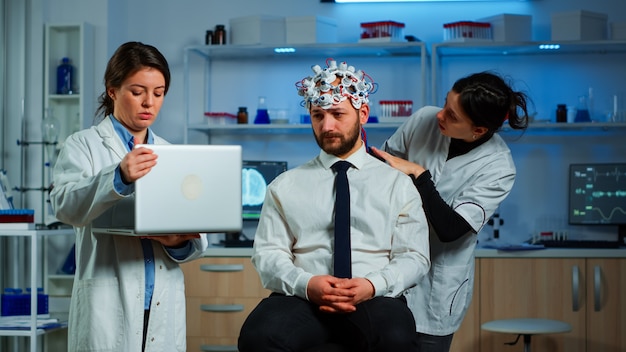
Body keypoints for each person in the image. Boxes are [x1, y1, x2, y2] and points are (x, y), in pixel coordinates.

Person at [237, 59, 431, 352]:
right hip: (301, 297)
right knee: (258, 337)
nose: (327, 126)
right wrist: (307, 284)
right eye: (318, 115)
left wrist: (372, 284)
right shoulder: (284, 186)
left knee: (396, 340)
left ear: (362, 113)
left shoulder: (397, 185)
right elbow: (268, 255)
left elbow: (414, 257)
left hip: (374, 296)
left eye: (337, 114)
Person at [49, 41, 209, 352]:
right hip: (108, 301)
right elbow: (65, 206)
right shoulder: (84, 145)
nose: (149, 102)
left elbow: (198, 236)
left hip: (162, 297)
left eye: (159, 93)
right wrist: (118, 177)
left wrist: (176, 241)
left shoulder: (171, 153)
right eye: (138, 92)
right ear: (112, 90)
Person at [370, 71, 530, 352]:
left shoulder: (498, 167)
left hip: (437, 288)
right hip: (389, 271)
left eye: (452, 116)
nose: (440, 116)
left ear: (478, 130)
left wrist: (420, 176)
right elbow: (381, 168)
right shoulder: (423, 120)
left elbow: (451, 229)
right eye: (445, 103)